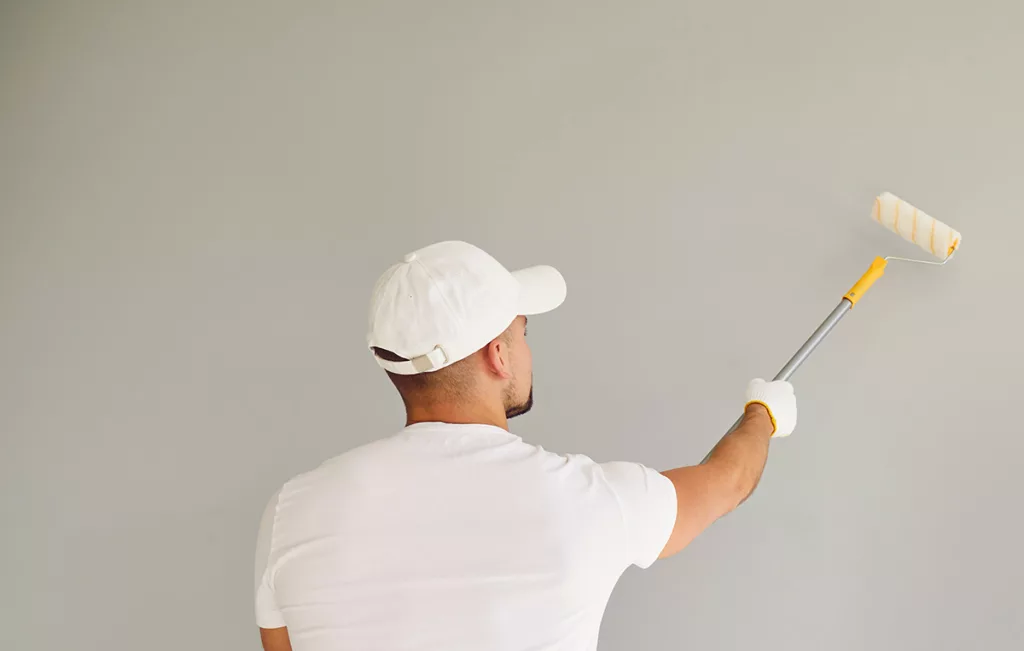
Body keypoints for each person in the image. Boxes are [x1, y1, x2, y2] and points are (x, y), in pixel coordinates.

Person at [254, 240, 797, 651]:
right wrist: (763, 414)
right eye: (522, 334)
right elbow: (729, 481)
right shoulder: (588, 500)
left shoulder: (292, 510)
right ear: (497, 356)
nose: (526, 351)